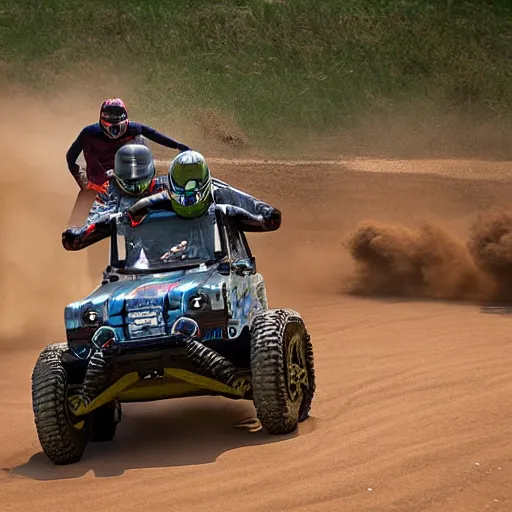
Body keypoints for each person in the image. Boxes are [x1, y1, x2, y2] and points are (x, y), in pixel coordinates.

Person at [129, 150, 282, 231]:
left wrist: (267, 212)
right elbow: (127, 210)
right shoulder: (158, 188)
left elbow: (249, 202)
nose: (187, 197)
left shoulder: (219, 193)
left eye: (192, 190)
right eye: (181, 191)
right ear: (171, 183)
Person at [66, 98, 191, 192]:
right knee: (78, 222)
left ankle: (143, 180)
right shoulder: (89, 133)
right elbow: (70, 157)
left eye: (117, 127)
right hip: (98, 186)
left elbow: (154, 135)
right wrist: (84, 183)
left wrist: (178, 146)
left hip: (130, 181)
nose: (114, 132)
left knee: (140, 140)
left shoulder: (134, 129)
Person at [62, 143, 168, 251]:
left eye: (140, 182)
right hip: (128, 253)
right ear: (117, 175)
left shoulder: (162, 186)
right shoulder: (108, 192)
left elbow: (179, 197)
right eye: (128, 182)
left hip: (167, 245)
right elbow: (95, 217)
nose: (134, 187)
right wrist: (113, 218)